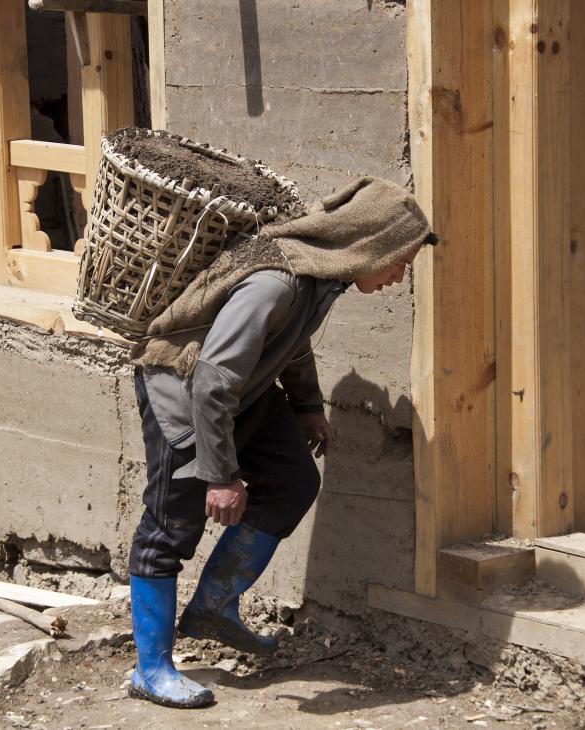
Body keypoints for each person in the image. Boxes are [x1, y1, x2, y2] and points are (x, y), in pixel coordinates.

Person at [124, 177, 436, 708]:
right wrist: (220, 475)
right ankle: (151, 669)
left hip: (241, 391)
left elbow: (292, 343)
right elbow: (209, 381)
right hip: (184, 394)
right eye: (397, 261)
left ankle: (214, 607)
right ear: (370, 245)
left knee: (291, 482)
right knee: (170, 528)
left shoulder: (320, 278)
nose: (397, 276)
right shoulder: (276, 282)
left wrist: (309, 406)